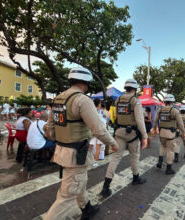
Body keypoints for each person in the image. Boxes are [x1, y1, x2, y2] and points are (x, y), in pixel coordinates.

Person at [44, 66, 118, 220]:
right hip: (76, 153)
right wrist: (113, 143)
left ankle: (86, 208)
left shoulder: (58, 98)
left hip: (63, 151)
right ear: (86, 83)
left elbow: (49, 129)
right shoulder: (82, 100)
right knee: (66, 196)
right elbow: (98, 129)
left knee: (79, 181)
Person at [100, 79, 147, 198]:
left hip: (119, 132)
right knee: (135, 156)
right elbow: (140, 120)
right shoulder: (135, 101)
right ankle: (136, 178)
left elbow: (116, 117)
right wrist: (145, 136)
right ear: (135, 89)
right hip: (132, 135)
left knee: (115, 158)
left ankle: (106, 186)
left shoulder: (118, 100)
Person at [153, 94, 185, 174]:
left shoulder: (160, 110)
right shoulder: (174, 111)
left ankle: (160, 163)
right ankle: (168, 168)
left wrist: (154, 129)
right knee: (170, 151)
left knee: (162, 146)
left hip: (162, 133)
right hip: (170, 134)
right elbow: (180, 123)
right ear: (172, 101)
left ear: (165, 101)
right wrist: (183, 132)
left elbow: (155, 120)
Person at [89, 99, 107, 167]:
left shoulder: (91, 112)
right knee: (98, 148)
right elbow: (105, 123)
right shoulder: (103, 113)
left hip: (92, 131)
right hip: (100, 132)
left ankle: (88, 160)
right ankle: (95, 162)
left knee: (90, 146)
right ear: (99, 104)